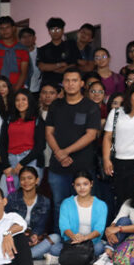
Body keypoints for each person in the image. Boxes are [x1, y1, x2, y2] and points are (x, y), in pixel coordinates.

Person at [44, 68, 101, 231]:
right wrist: (59, 154)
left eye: (74, 80)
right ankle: (59, 240)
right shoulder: (56, 105)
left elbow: (91, 135)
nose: (70, 84)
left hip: (83, 167)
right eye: (67, 81)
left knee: (84, 206)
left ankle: (85, 242)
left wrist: (65, 152)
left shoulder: (91, 106)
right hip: (58, 166)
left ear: (82, 84)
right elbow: (48, 132)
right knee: (59, 205)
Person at [5, 167, 58, 260]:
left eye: (30, 178)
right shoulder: (12, 198)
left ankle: (23, 257)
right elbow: (6, 222)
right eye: (23, 179)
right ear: (20, 182)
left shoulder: (45, 201)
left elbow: (41, 225)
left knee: (55, 237)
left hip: (32, 240)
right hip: (15, 237)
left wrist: (35, 236)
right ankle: (33, 255)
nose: (26, 181)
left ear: (37, 180)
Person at [0, 89, 44, 195]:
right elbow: (2, 143)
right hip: (11, 161)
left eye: (24, 99)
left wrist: (22, 163)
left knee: (28, 195)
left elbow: (40, 146)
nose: (20, 103)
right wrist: (6, 165)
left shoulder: (37, 120)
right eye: (17, 100)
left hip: (31, 160)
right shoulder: (9, 119)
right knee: (4, 194)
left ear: (30, 101)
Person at [57, 171, 108, 259]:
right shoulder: (67, 203)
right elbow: (64, 226)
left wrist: (84, 238)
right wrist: (74, 237)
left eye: (85, 184)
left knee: (99, 248)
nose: (82, 188)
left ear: (91, 184)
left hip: (92, 241)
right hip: (72, 240)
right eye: (78, 185)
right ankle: (85, 258)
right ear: (73, 185)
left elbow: (99, 229)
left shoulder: (101, 205)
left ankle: (69, 258)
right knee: (55, 249)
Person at [0, 17, 30, 89]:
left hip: (18, 89)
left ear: (14, 28)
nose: (4, 31)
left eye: (7, 27)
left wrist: (14, 91)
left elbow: (23, 73)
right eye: (1, 28)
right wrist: (3, 88)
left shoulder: (23, 49)